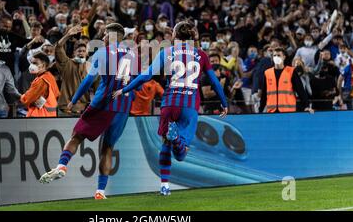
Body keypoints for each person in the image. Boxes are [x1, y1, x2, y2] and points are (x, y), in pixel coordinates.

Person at [113, 21, 229, 196]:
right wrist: (224, 103)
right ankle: (177, 140)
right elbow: (214, 81)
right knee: (181, 155)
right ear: (193, 36)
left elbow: (146, 75)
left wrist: (125, 88)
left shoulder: (166, 52)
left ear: (174, 35)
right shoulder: (202, 55)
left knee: (165, 143)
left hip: (169, 103)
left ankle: (164, 185)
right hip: (189, 105)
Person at [39, 23, 136, 201]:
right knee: (107, 148)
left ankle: (62, 166)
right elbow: (135, 83)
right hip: (123, 107)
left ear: (111, 36)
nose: (104, 37)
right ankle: (100, 192)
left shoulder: (101, 53)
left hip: (103, 103)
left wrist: (74, 100)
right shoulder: (132, 55)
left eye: (105, 34)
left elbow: (88, 81)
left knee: (76, 136)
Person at [259, 47, 314, 113]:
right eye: (274, 55)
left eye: (279, 55)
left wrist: (306, 106)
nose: (276, 57)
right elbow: (264, 94)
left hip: (288, 111)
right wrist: (260, 110)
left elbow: (300, 91)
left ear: (284, 57)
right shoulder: (267, 73)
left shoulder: (291, 71)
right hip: (272, 111)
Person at [20, 52, 59, 117]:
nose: (31, 65)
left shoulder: (41, 80)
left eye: (35, 63)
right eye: (31, 63)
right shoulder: (50, 77)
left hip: (39, 116)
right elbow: (57, 94)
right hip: (50, 115)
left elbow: (27, 99)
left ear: (43, 65)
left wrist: (22, 97)